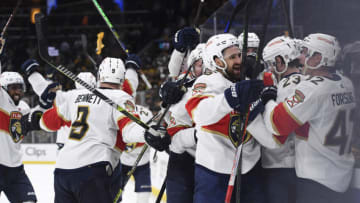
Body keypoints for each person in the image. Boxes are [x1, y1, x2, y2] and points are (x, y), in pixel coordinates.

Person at [22, 57, 149, 203]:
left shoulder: (73, 96)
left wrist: (31, 121)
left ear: (99, 76)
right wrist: (148, 134)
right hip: (94, 169)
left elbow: (48, 121)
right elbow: (130, 129)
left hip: (63, 171)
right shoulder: (121, 96)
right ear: (122, 78)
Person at [261, 33, 356, 203]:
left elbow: (277, 124)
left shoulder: (311, 89)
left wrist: (268, 98)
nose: (300, 57)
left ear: (319, 57)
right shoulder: (346, 83)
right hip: (342, 173)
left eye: (305, 52)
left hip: (317, 179)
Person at [184, 33, 264, 203]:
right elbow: (199, 113)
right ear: (217, 61)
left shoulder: (247, 80)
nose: (239, 61)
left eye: (239, 55)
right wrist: (231, 97)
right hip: (214, 171)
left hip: (250, 167)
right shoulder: (207, 81)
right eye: (232, 57)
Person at [249, 36, 304, 203]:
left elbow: (276, 138)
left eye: (270, 63)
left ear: (280, 61)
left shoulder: (283, 90)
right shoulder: (308, 82)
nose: (269, 69)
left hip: (280, 166)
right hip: (299, 166)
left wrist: (249, 118)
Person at [0, 71, 37, 202]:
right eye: (13, 87)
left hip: (15, 170)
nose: (18, 91)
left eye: (20, 87)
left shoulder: (24, 108)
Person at [120, 105, 153, 203]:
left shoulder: (146, 113)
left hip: (141, 161)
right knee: (114, 193)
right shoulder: (119, 108)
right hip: (122, 160)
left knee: (144, 195)